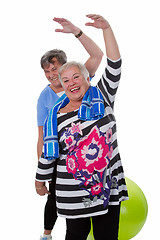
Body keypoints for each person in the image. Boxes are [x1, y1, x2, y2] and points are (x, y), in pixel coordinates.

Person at [35, 14, 128, 240]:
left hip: (106, 186)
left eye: (76, 77)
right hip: (71, 190)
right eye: (65, 80)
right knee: (75, 236)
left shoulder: (102, 97)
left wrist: (106, 29)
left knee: (107, 236)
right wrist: (39, 179)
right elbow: (49, 152)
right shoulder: (55, 114)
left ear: (88, 78)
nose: (70, 82)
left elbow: (114, 63)